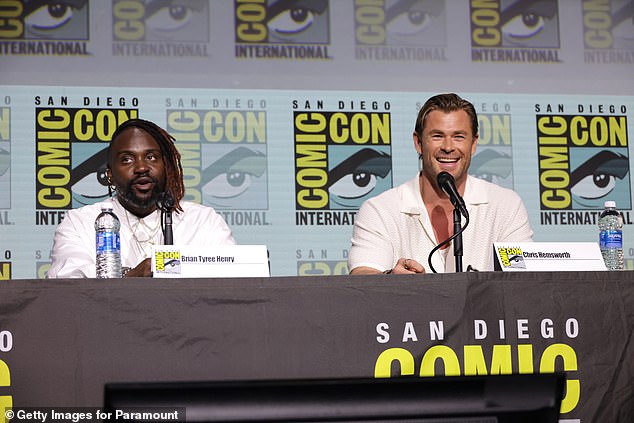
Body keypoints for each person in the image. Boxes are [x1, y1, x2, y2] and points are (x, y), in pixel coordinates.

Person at [348, 93, 533, 275]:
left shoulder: (506, 205)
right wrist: (391, 279)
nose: (448, 146)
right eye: (437, 136)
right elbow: (363, 274)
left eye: (459, 136)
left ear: (474, 143)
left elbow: (523, 279)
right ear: (418, 142)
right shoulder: (380, 210)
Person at [48, 119, 235, 278]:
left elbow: (235, 279)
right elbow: (67, 283)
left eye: (152, 157)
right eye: (127, 160)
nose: (141, 167)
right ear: (110, 175)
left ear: (167, 166)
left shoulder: (203, 221)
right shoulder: (81, 223)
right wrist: (131, 278)